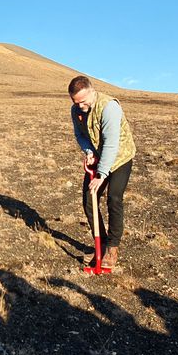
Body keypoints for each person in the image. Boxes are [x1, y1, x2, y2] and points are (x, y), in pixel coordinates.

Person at [68, 76, 136, 269]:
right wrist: (88, 151)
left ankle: (113, 248)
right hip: (99, 156)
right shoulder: (76, 110)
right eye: (76, 102)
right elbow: (80, 134)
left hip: (120, 156)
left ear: (92, 91)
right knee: (89, 200)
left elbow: (112, 143)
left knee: (114, 198)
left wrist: (101, 174)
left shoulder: (109, 107)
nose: (80, 106)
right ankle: (102, 243)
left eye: (83, 101)